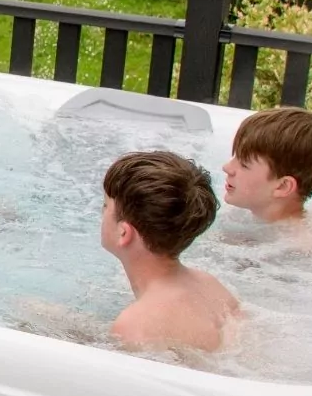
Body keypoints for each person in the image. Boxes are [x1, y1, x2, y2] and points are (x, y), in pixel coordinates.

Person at [101, 150, 238, 353]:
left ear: (124, 232)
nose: (101, 214)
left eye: (104, 206)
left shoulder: (134, 326)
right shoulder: (209, 285)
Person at [221, 107, 312, 224]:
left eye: (244, 164)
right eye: (235, 156)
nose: (226, 168)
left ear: (282, 186)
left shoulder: (299, 241)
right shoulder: (240, 214)